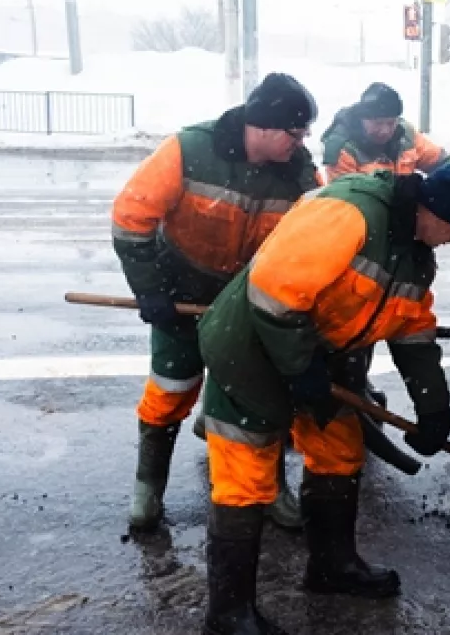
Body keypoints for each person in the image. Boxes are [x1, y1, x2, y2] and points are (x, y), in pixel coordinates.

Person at [195, 163, 450, 634]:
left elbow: (411, 330)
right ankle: (229, 613)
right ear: (433, 211)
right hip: (251, 349)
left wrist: (433, 406)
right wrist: (300, 369)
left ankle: (331, 566)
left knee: (339, 452)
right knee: (245, 477)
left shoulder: (415, 254)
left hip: (320, 358)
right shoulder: (351, 213)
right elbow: (273, 293)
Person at [110, 72, 319, 534]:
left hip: (246, 301)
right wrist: (150, 288)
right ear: (264, 127)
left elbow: (312, 242)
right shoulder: (188, 150)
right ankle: (148, 487)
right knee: (169, 389)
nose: (301, 142)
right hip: (180, 290)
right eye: (295, 131)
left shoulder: (299, 174)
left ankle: (267, 489)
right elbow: (130, 217)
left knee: (261, 398)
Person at [320, 82, 450, 189]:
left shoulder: (405, 135)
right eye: (378, 123)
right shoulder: (342, 149)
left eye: (391, 122)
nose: (386, 130)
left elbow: (441, 162)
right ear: (363, 119)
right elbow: (350, 201)